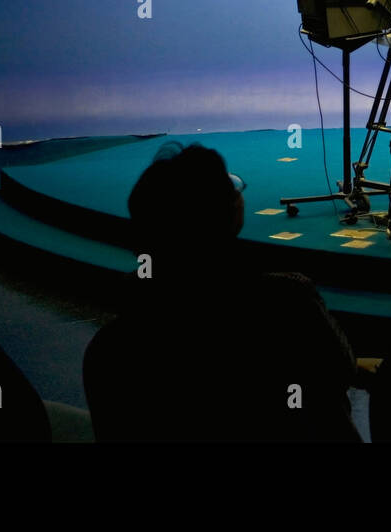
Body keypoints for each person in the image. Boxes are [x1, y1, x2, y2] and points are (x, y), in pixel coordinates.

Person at [86, 141, 360, 441]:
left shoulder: (109, 349)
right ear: (229, 215)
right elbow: (340, 369)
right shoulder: (288, 300)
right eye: (232, 190)